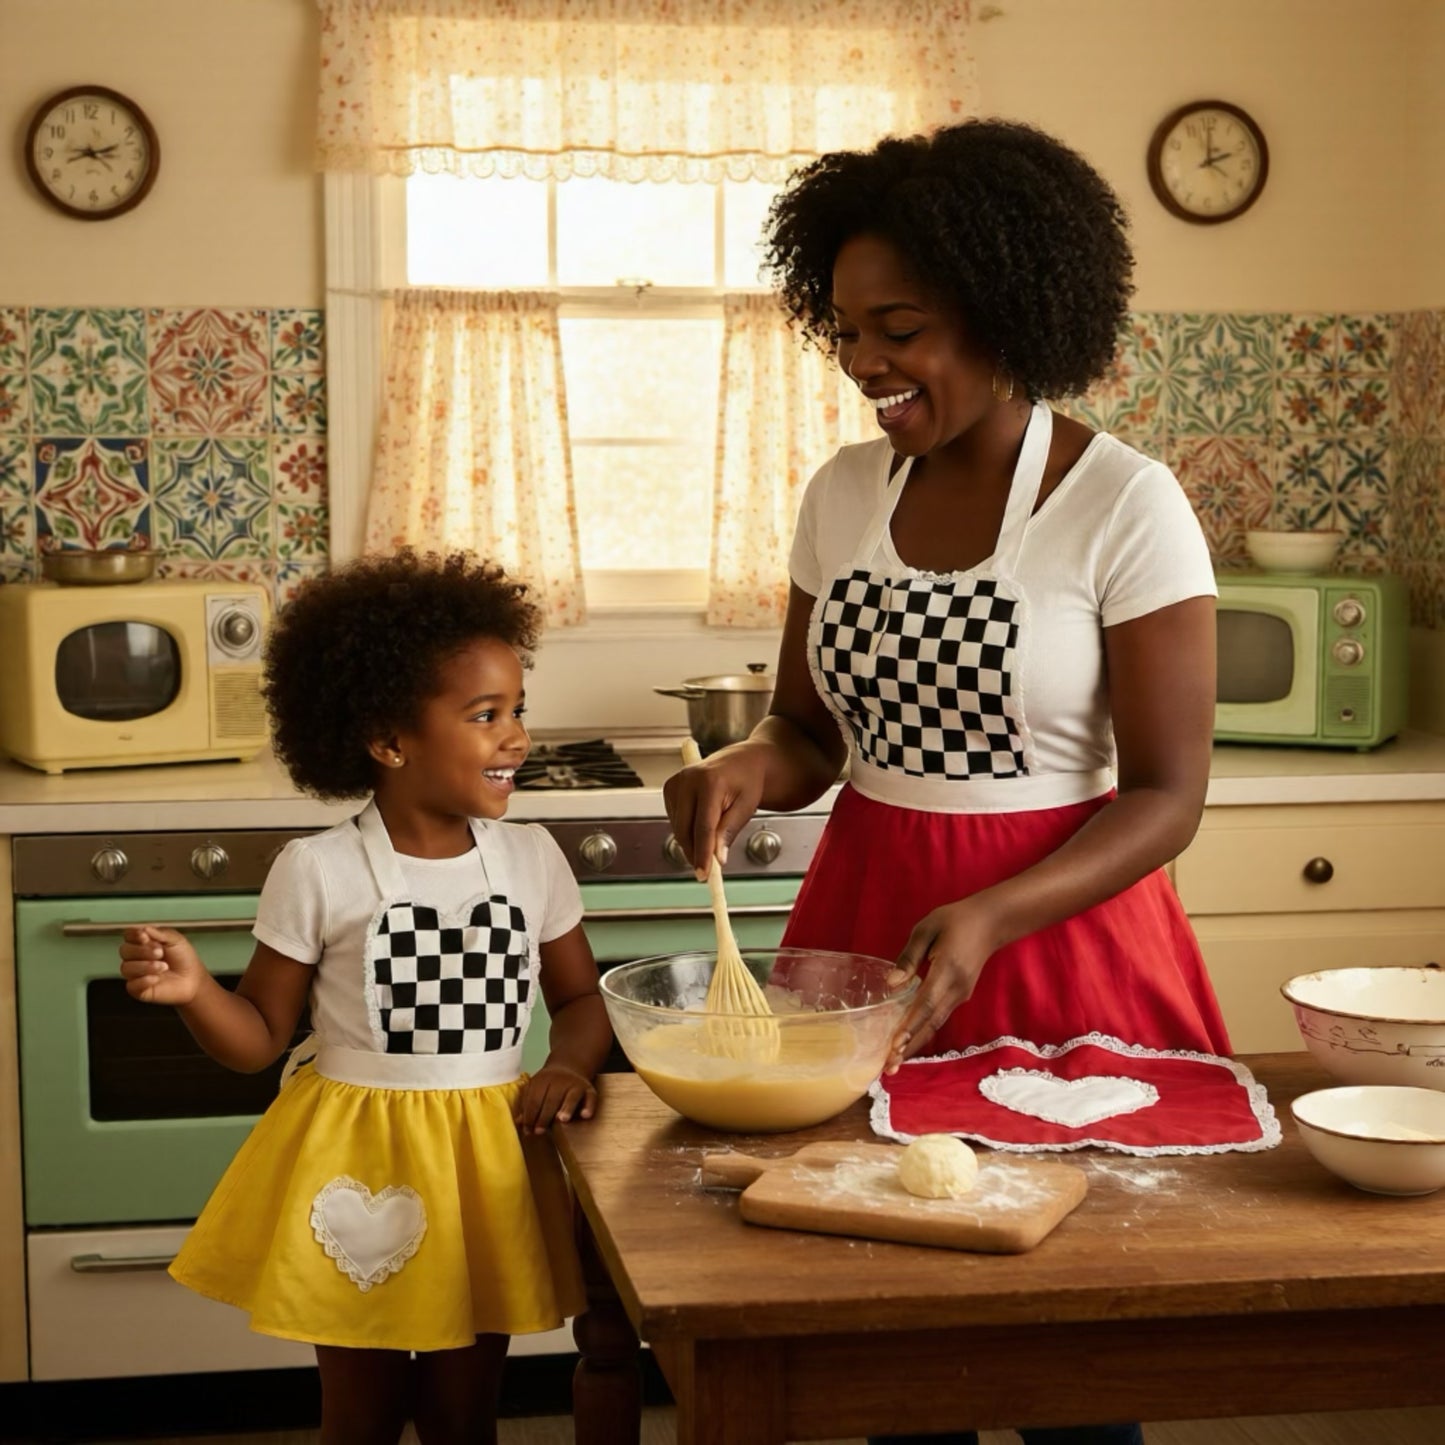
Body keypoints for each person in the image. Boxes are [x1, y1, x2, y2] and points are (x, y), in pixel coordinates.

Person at [663, 119, 1232, 1445]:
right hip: (869, 928)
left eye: (898, 328)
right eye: (846, 328)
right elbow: (809, 732)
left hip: (1062, 937)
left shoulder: (1124, 503)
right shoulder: (840, 496)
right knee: (889, 1326)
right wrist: (746, 765)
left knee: (1072, 1353)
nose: (862, 360)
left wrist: (992, 913)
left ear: (998, 310)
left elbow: (1166, 795)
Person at [118, 550, 611, 1445]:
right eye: (485, 715)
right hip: (353, 1163)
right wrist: (195, 992)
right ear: (389, 741)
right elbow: (257, 1037)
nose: (516, 737)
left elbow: (581, 999)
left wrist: (569, 1064)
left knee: (465, 1414)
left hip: (488, 1162)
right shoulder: (319, 869)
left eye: (518, 709)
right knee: (360, 1415)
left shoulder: (533, 858)